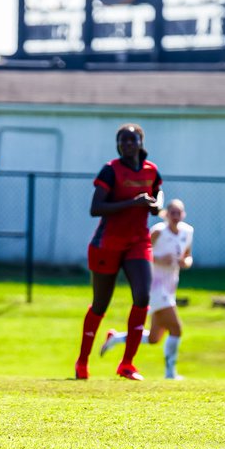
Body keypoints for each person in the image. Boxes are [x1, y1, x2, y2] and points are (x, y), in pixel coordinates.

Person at [74, 123, 162, 381]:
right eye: (122, 141)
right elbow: (96, 208)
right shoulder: (111, 170)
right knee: (100, 304)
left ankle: (127, 364)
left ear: (140, 143)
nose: (127, 145)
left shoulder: (151, 171)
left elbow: (156, 202)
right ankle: (82, 362)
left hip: (138, 242)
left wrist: (154, 206)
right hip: (107, 243)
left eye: (131, 140)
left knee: (143, 297)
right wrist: (132, 203)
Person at [99, 198, 193, 379]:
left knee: (154, 338)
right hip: (154, 286)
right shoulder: (158, 231)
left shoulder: (188, 232)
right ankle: (170, 373)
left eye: (178, 212)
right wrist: (159, 259)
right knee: (176, 329)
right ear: (166, 214)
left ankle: (116, 338)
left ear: (183, 214)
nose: (175, 216)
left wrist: (185, 262)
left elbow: (188, 257)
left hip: (170, 286)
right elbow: (141, 251)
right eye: (172, 212)